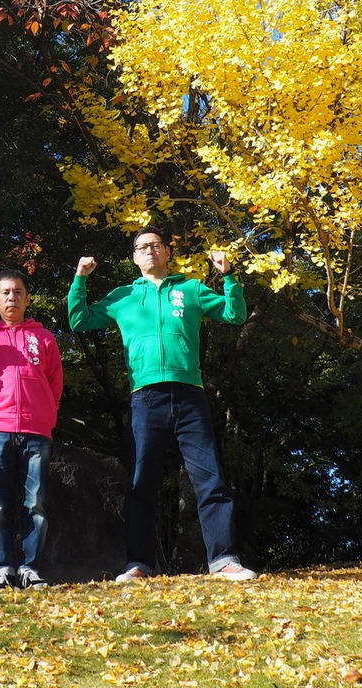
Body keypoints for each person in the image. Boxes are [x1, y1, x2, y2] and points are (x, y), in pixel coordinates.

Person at [68, 227, 256, 583]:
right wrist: (80, 279)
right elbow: (78, 320)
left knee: (210, 478)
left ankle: (224, 560)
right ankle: (138, 564)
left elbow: (235, 314)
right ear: (134, 257)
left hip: (190, 394)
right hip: (145, 397)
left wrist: (228, 274)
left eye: (155, 245)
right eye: (141, 247)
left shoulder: (192, 288)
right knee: (142, 483)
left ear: (167, 252)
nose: (149, 251)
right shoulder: (123, 296)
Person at [0, 268, 64, 591]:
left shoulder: (43, 338)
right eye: (5, 292)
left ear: (27, 298)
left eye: (18, 292)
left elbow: (55, 384)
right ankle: (3, 567)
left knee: (36, 503)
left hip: (37, 430)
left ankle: (31, 567)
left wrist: (46, 415)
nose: (12, 298)